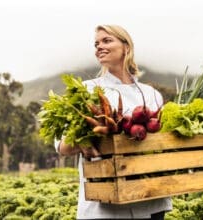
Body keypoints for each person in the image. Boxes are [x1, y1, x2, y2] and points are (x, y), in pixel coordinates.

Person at [55, 25, 172, 219]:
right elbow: (62, 146)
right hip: (104, 205)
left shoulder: (151, 94)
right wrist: (82, 140)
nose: (99, 47)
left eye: (107, 41)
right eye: (96, 43)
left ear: (126, 47)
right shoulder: (87, 90)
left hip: (151, 198)